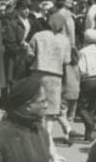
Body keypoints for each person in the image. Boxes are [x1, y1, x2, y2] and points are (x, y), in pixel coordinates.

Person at [29, 13, 74, 145]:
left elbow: (30, 54)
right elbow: (67, 60)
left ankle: (41, 134)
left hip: (38, 72)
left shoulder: (38, 36)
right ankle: (47, 135)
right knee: (52, 109)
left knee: (39, 105)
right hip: (55, 75)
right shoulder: (65, 40)